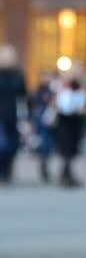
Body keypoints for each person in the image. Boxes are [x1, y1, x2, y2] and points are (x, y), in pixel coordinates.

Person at [0, 45, 27, 185]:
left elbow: (23, 97)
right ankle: (2, 170)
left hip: (13, 117)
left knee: (13, 146)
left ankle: (7, 168)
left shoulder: (18, 75)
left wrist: (26, 119)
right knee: (2, 145)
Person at [55, 71, 86, 188]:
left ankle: (65, 174)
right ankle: (67, 175)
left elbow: (83, 106)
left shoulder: (81, 91)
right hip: (65, 123)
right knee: (66, 151)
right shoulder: (62, 90)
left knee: (72, 151)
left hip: (75, 123)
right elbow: (60, 106)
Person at [31, 71, 57, 183]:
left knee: (50, 145)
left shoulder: (54, 91)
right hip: (41, 122)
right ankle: (43, 163)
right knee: (43, 143)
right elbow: (32, 106)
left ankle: (45, 162)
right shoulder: (38, 91)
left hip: (52, 122)